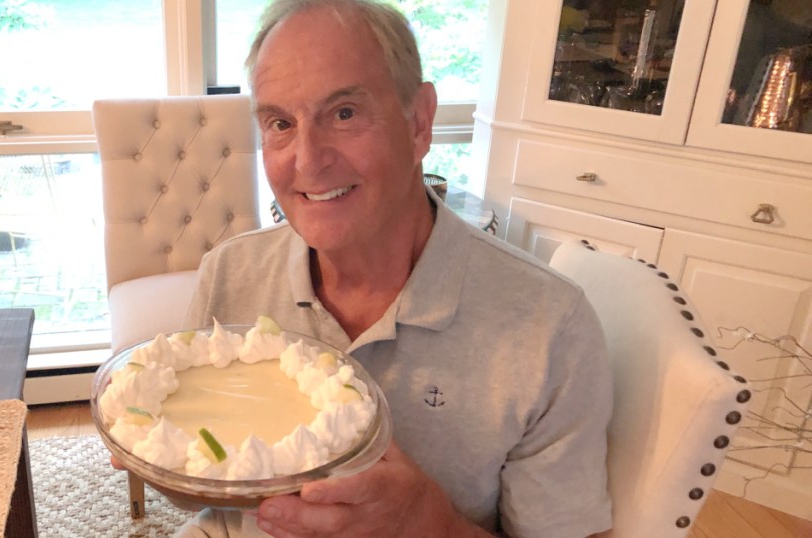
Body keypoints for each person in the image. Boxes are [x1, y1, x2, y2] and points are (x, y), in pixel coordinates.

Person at [170, 0, 615, 536]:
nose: (307, 161)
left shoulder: (550, 328)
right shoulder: (230, 273)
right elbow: (198, 481)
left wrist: (429, 524)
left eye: (345, 113)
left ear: (419, 122)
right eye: (280, 123)